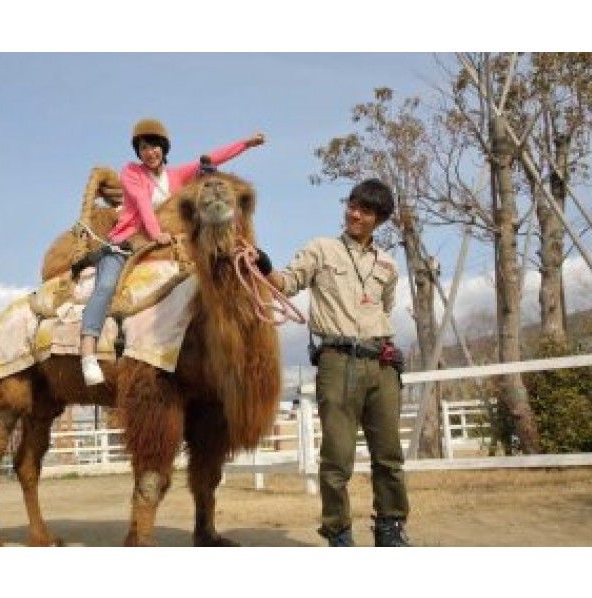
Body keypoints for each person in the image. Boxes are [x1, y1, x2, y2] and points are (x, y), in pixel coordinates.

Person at [259, 178, 410, 547]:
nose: (354, 214)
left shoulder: (388, 265)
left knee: (389, 456)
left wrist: (381, 346)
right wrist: (263, 266)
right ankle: (339, 533)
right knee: (337, 459)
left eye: (365, 210)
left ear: (379, 219)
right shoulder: (321, 249)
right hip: (338, 361)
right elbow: (288, 282)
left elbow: (383, 309)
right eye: (352, 205)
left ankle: (390, 530)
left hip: (382, 363)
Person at [79, 118, 265, 386]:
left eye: (154, 146)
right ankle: (88, 353)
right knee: (106, 286)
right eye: (143, 147)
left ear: (164, 149)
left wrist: (245, 144)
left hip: (165, 249)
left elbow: (209, 161)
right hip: (126, 244)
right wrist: (156, 235)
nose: (149, 152)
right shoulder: (131, 172)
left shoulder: (175, 176)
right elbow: (143, 204)